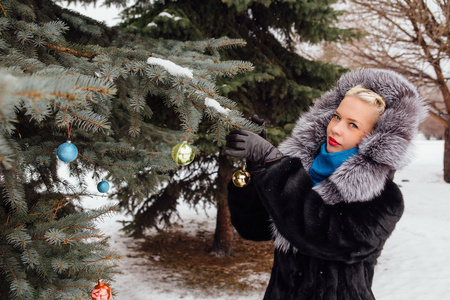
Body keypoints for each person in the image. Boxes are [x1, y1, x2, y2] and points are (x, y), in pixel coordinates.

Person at [224, 68, 428, 300]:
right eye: (337, 116)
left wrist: (274, 166)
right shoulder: (301, 171)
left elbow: (321, 235)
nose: (337, 128)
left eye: (353, 125)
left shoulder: (384, 199)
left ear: (375, 138)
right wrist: (257, 169)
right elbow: (253, 228)